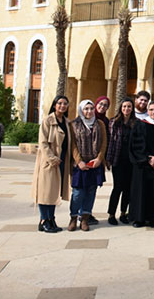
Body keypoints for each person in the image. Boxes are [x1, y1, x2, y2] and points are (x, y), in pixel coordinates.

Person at [32, 95, 72, 233]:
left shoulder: (67, 122)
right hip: (48, 162)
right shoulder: (47, 121)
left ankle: (51, 218)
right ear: (54, 105)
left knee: (54, 192)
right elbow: (42, 143)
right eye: (59, 103)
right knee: (45, 192)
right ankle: (44, 220)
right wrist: (52, 158)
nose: (62, 106)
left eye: (65, 103)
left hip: (61, 162)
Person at [68, 100, 107, 232]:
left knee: (91, 192)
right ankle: (73, 217)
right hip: (80, 164)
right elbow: (73, 144)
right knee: (78, 193)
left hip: (95, 164)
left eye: (91, 109)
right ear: (81, 110)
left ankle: (84, 218)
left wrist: (99, 159)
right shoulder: (74, 124)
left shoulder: (99, 124)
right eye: (86, 109)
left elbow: (104, 143)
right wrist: (79, 161)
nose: (89, 111)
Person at [106, 98, 137, 225]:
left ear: (132, 108)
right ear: (120, 108)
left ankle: (123, 213)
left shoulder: (135, 123)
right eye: (124, 106)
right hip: (117, 159)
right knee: (117, 187)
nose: (126, 109)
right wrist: (108, 159)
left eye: (129, 107)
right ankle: (111, 214)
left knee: (128, 189)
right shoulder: (114, 122)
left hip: (131, 161)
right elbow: (110, 142)